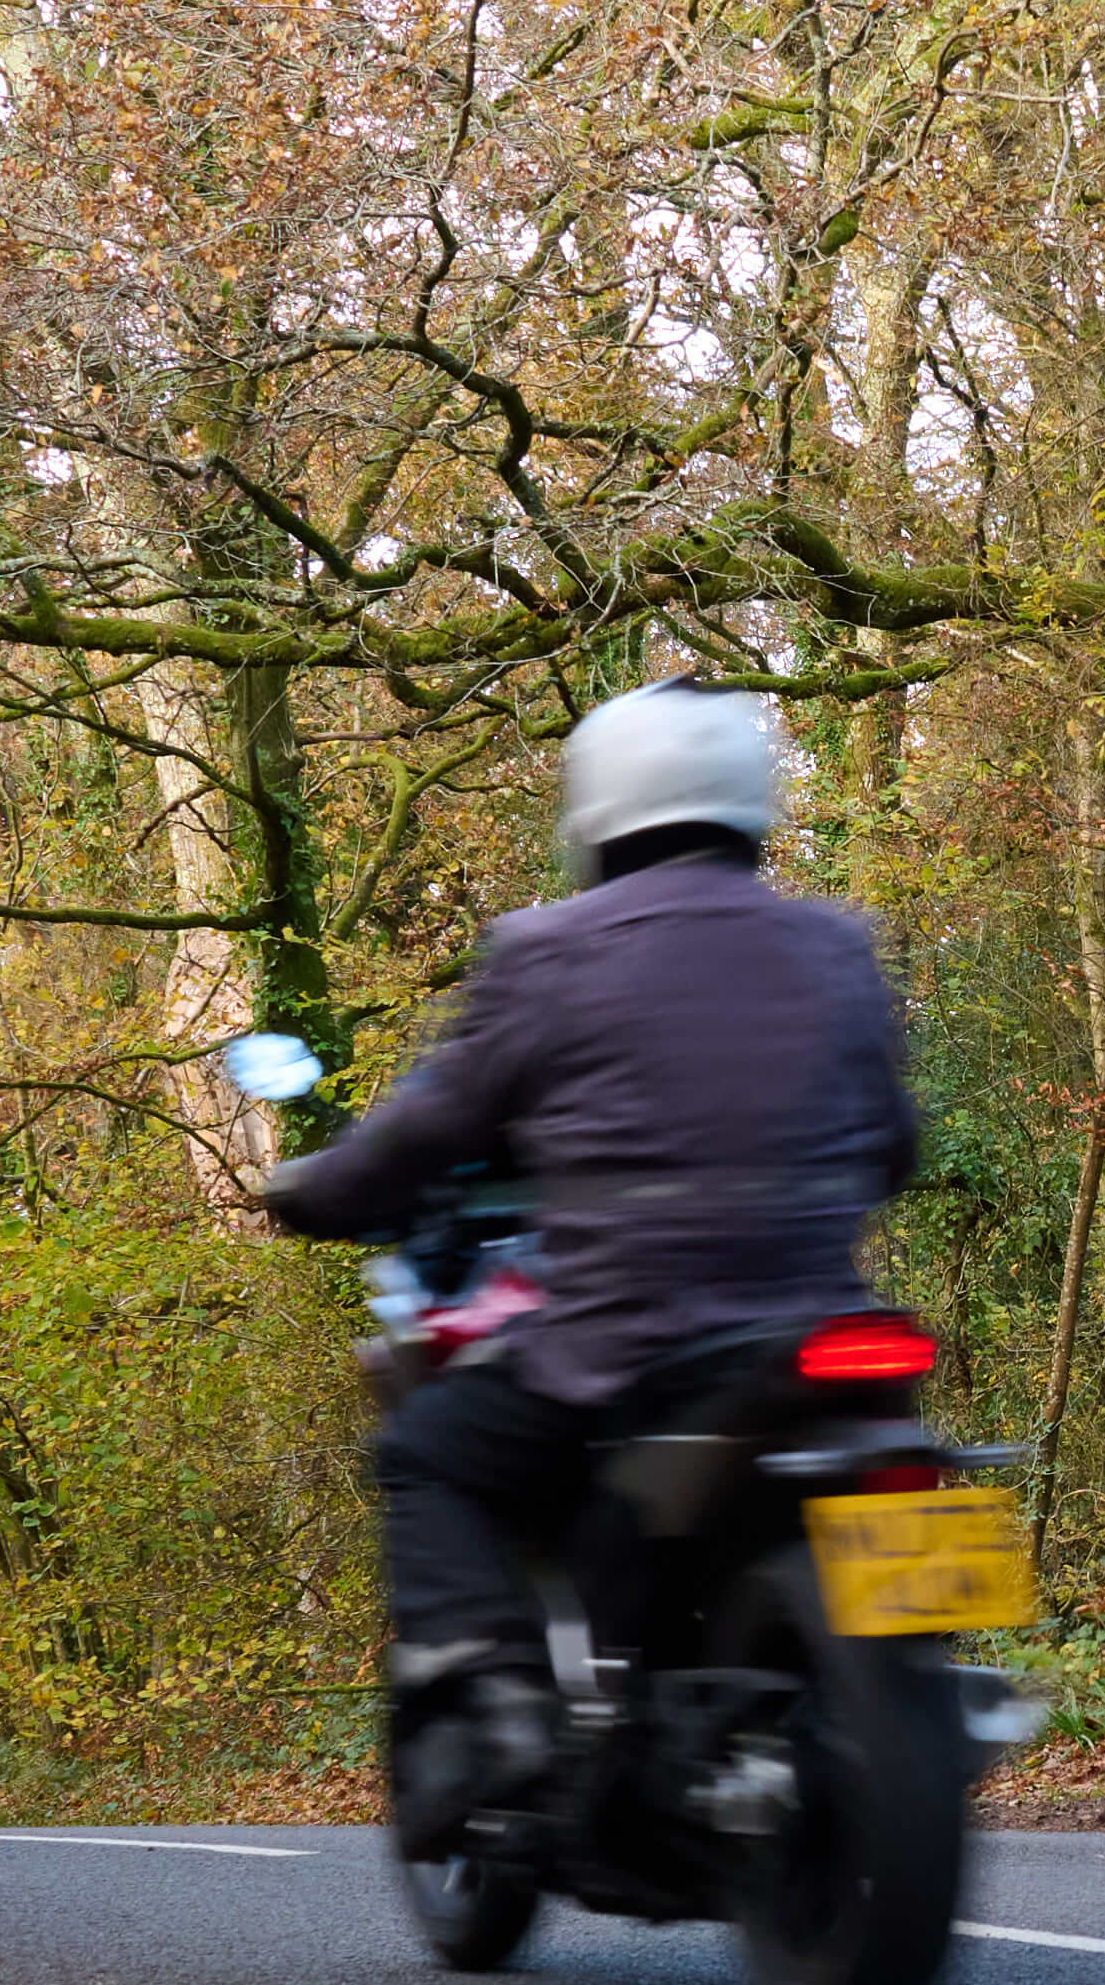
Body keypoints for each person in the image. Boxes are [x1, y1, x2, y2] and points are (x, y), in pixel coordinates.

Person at [260, 683, 931, 1845]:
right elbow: (894, 1145)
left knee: (428, 1451)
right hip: (821, 1325)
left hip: (632, 1343)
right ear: (750, 804)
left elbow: (427, 1133)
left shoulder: (548, 951)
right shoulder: (837, 944)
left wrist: (310, 1190)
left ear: (600, 810)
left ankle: (503, 1698)